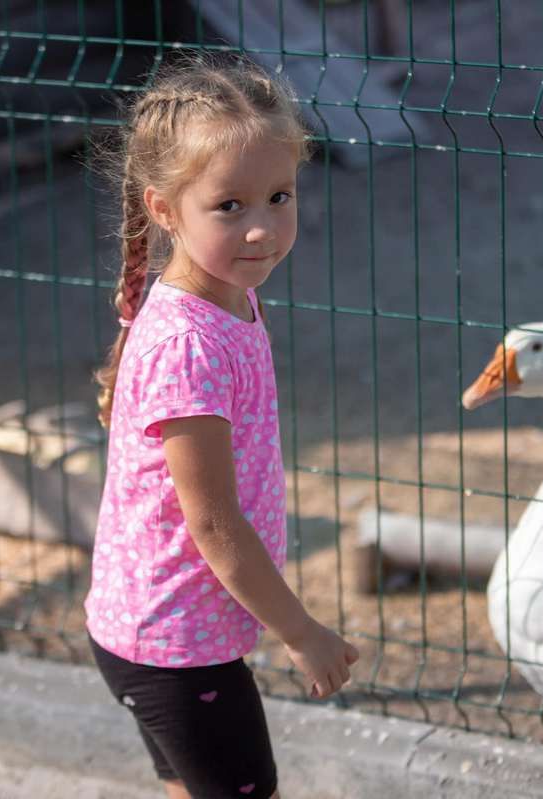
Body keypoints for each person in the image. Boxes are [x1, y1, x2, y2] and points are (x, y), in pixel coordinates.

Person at [84, 52, 359, 799]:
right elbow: (215, 523)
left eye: (279, 195)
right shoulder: (188, 344)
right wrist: (301, 631)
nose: (262, 229)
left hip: (156, 631)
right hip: (176, 650)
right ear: (165, 209)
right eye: (229, 206)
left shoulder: (224, 299)